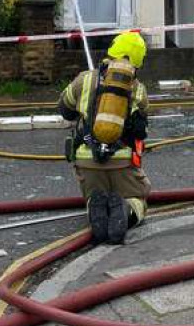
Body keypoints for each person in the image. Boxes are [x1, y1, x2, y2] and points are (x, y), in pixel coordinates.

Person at [59, 31, 150, 245]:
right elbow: (141, 130)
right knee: (139, 199)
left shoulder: (84, 79)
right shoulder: (138, 89)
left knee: (93, 195)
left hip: (87, 161)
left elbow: (64, 109)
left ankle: (94, 206)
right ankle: (127, 209)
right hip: (122, 163)